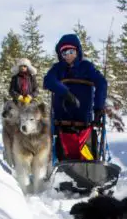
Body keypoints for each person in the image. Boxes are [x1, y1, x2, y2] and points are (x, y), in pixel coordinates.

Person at [43, 33, 108, 161]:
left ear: (77, 51)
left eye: (71, 51)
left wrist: (99, 107)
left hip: (84, 119)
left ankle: (90, 167)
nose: (68, 56)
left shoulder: (86, 67)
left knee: (87, 153)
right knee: (65, 151)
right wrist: (65, 92)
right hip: (62, 119)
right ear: (60, 55)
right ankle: (63, 167)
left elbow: (101, 83)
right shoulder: (57, 69)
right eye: (64, 53)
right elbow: (48, 81)